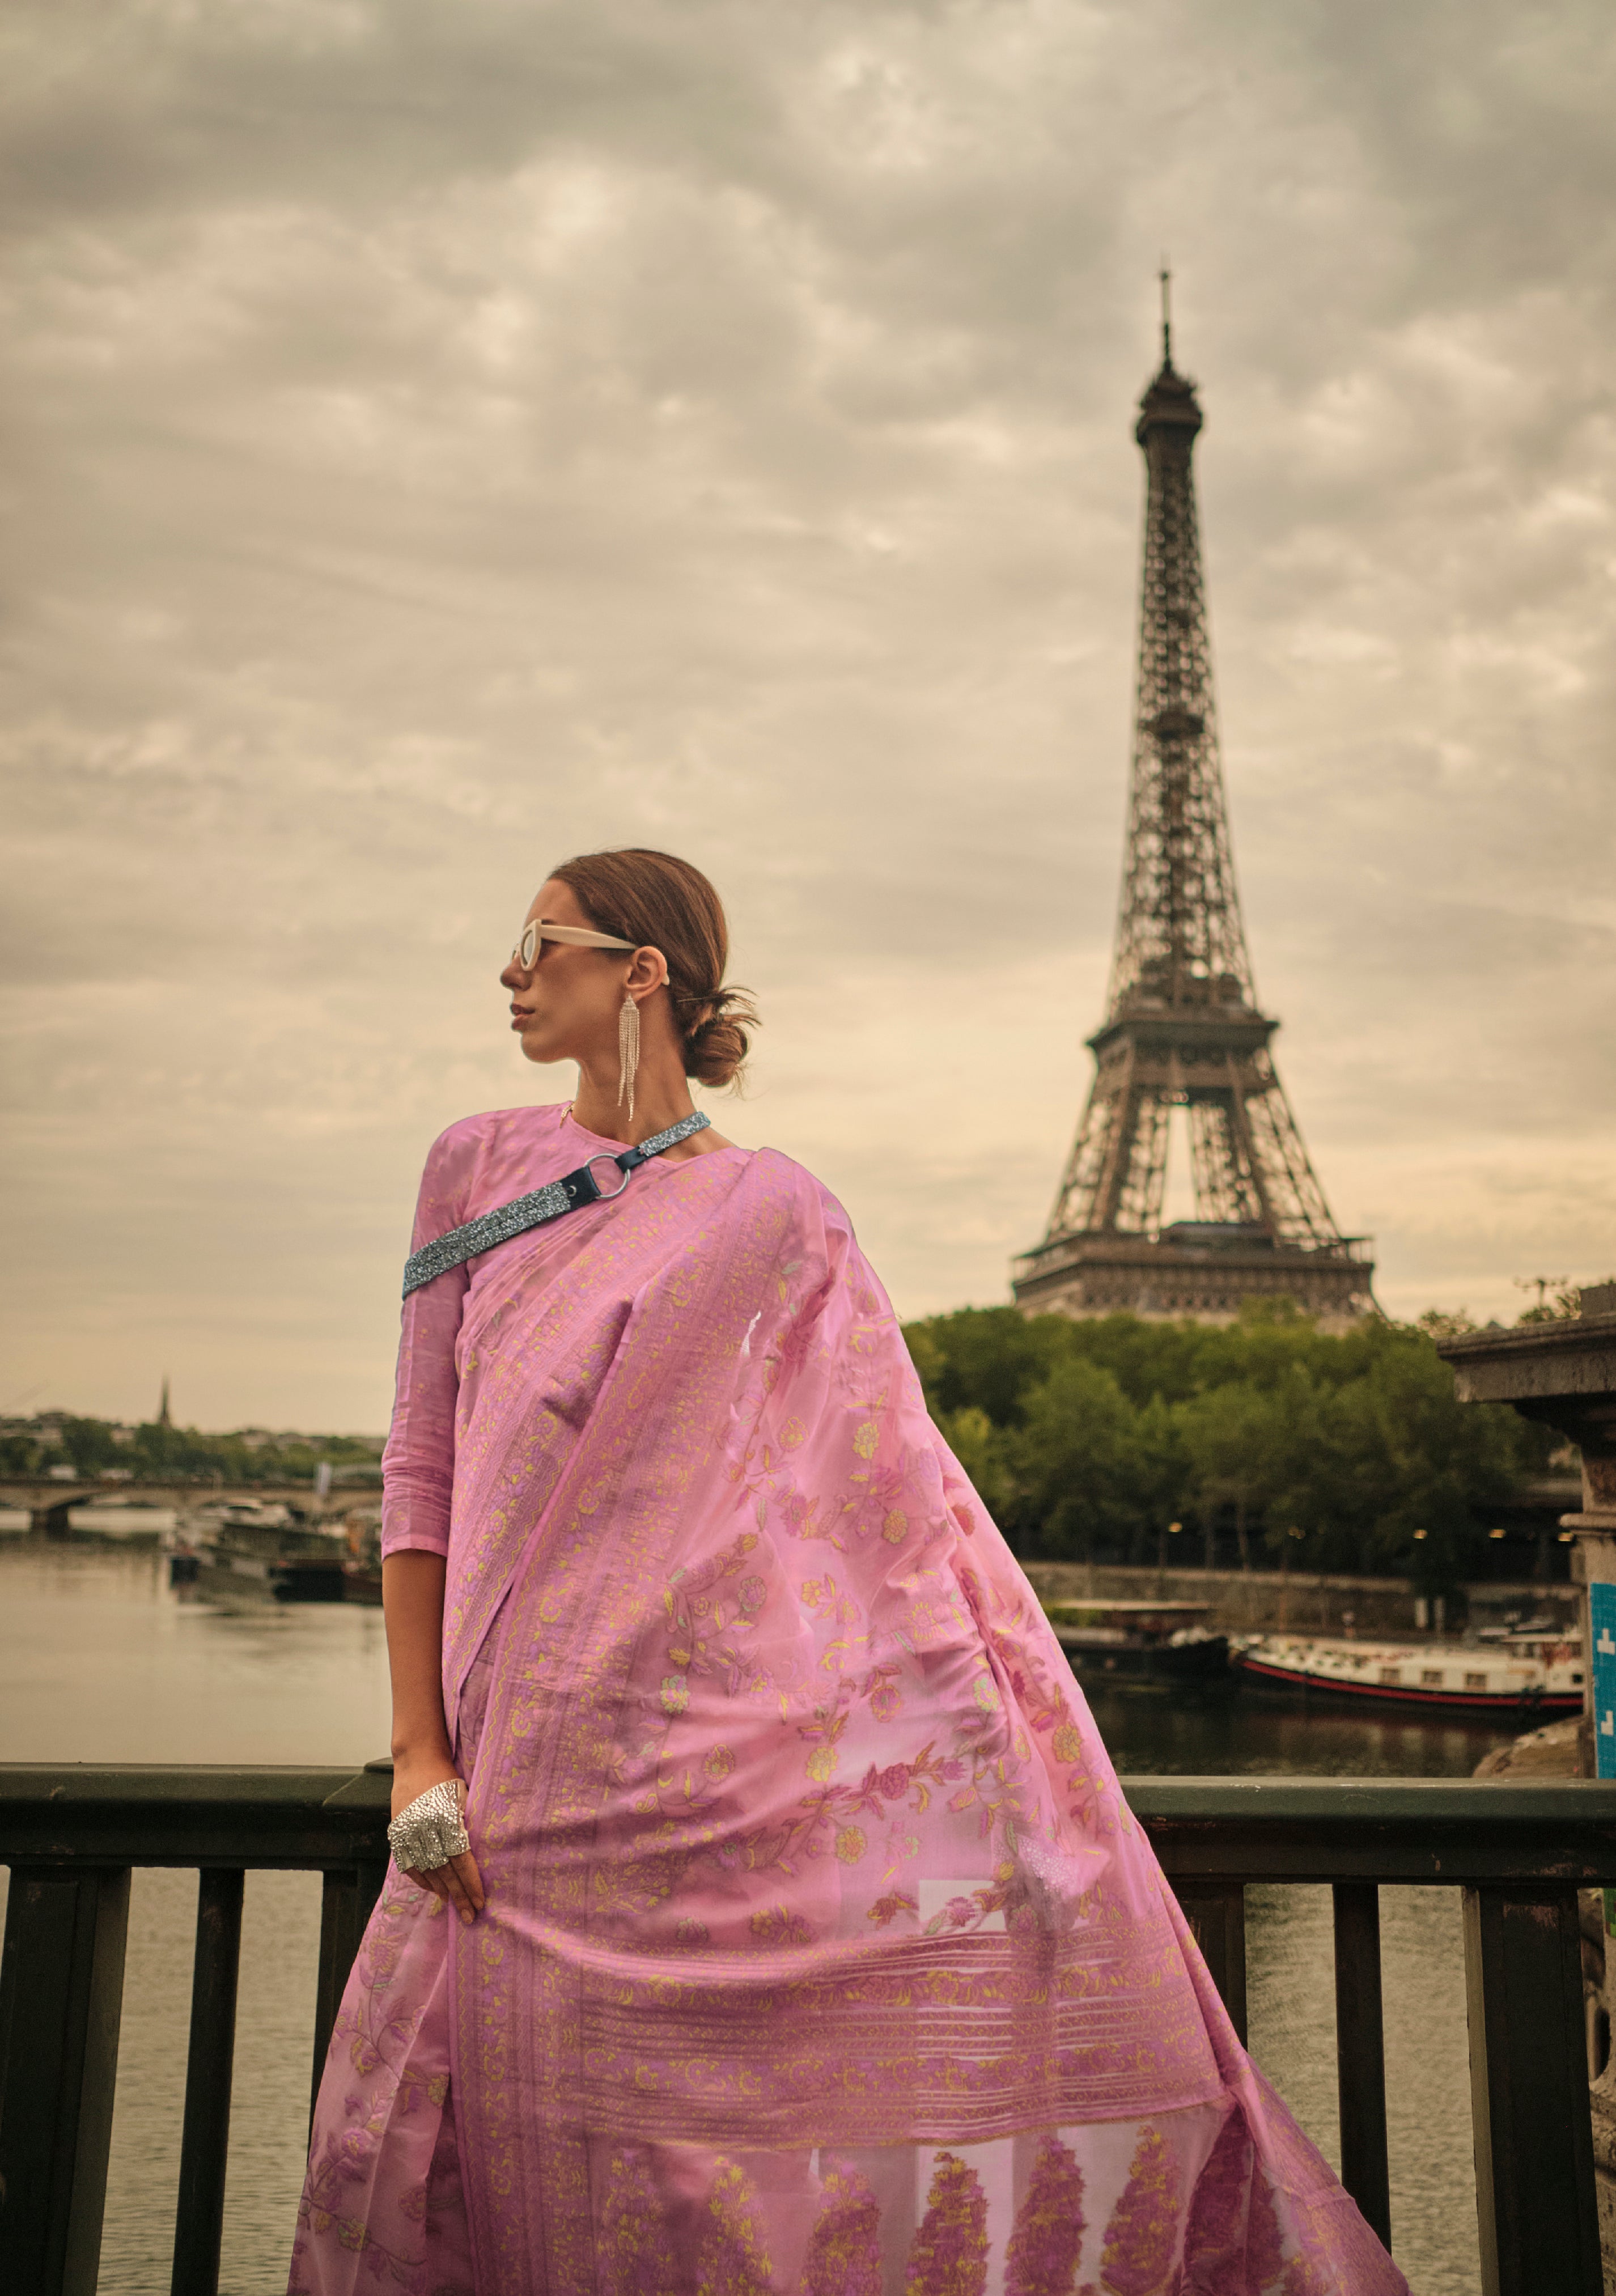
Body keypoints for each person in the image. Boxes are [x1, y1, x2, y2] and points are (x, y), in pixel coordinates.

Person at [291, 847, 1405, 2296]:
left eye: (539, 942)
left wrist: (1017, 1780)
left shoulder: (778, 1213)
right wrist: (417, 1751)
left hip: (686, 1791)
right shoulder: (472, 1165)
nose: (510, 971)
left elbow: (886, 1515)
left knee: (705, 2202)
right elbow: (420, 1468)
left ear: (643, 976)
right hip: (510, 1791)